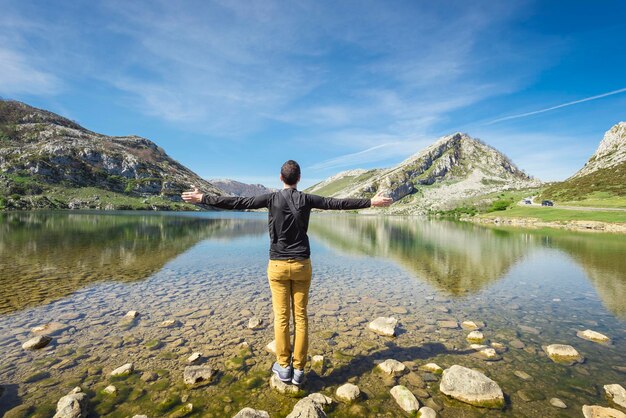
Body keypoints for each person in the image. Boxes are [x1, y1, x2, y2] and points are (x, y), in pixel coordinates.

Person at [182, 160, 392, 386]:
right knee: (300, 317)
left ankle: (283, 368)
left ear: (281, 178)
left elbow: (236, 202)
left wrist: (203, 198)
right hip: (302, 264)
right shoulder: (308, 199)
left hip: (278, 266)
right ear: (299, 179)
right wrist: (371, 201)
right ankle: (299, 370)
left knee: (282, 317)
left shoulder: (271, 198)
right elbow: (337, 203)